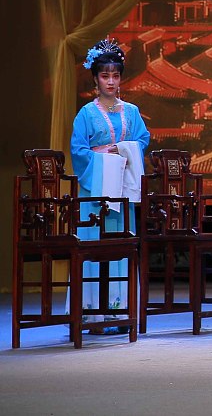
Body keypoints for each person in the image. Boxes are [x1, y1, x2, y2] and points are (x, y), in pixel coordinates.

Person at [70, 39, 150, 323]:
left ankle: (121, 312)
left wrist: (121, 149)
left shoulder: (132, 111)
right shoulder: (86, 113)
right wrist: (103, 155)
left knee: (121, 245)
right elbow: (78, 151)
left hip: (122, 188)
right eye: (105, 76)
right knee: (94, 245)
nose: (111, 82)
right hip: (95, 189)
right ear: (96, 78)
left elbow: (142, 140)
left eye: (115, 76)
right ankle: (93, 314)